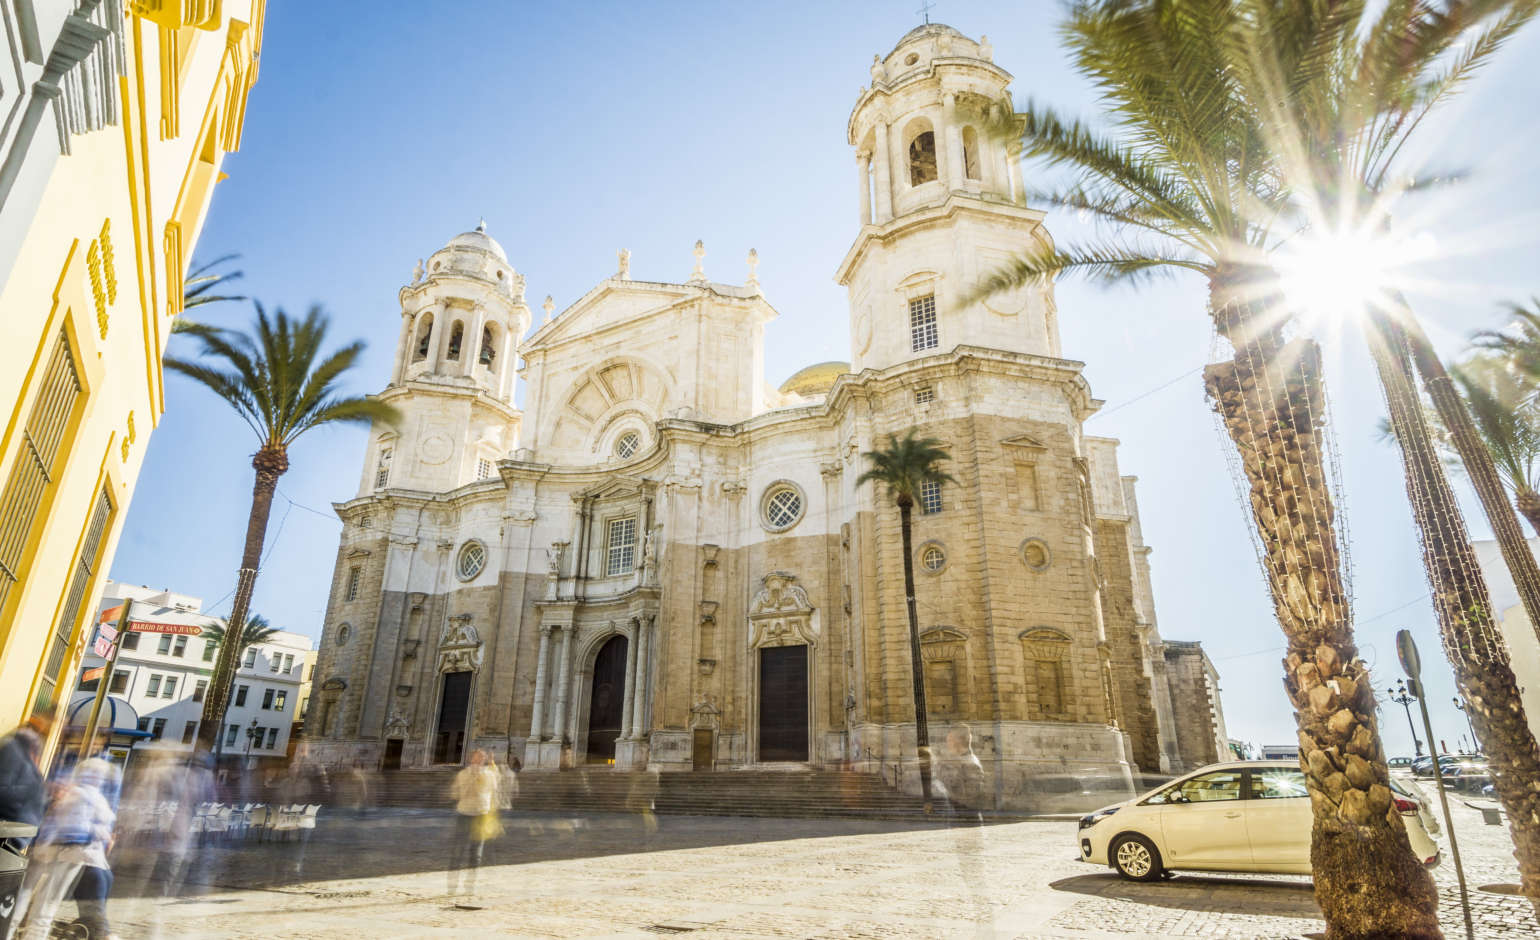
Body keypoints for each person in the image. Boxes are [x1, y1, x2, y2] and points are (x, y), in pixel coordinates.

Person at [10, 756, 120, 940]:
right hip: (70, 852)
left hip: (46, 848)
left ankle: (7, 931)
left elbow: (51, 820)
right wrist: (101, 832)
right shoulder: (95, 798)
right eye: (99, 776)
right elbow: (98, 827)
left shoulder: (67, 790)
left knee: (24, 894)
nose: (99, 779)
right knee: (46, 904)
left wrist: (43, 843)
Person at [447, 750, 501, 900]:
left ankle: (469, 885)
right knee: (458, 851)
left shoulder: (489, 775)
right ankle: (452, 884)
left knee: (476, 854)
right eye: (477, 757)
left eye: (482, 758)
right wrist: (474, 777)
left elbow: (494, 791)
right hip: (464, 813)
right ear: (471, 758)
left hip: (481, 815)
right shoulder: (463, 774)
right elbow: (457, 794)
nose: (479, 760)